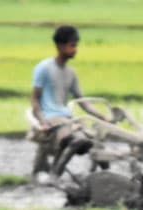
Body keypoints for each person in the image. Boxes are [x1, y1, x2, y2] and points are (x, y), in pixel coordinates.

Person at [30, 24, 108, 179]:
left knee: (97, 145)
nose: (75, 49)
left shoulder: (71, 73)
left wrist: (103, 117)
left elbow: (83, 102)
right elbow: (34, 100)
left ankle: (103, 177)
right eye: (72, 45)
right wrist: (42, 121)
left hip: (68, 118)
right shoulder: (43, 68)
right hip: (52, 118)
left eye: (76, 45)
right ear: (60, 46)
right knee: (73, 140)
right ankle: (55, 175)